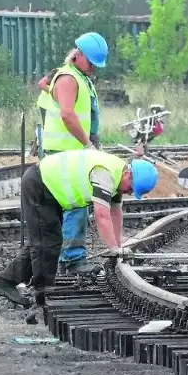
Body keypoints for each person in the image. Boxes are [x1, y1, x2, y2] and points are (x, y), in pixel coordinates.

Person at [0, 149, 159, 307]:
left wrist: (119, 243)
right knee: (46, 242)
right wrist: (113, 248)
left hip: (49, 187)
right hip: (40, 184)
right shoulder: (105, 174)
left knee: (45, 239)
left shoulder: (118, 175)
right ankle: (40, 293)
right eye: (131, 188)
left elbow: (115, 211)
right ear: (128, 174)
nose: (129, 192)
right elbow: (102, 215)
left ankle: (7, 282)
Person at [42, 33, 107, 276]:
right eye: (91, 63)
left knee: (73, 205)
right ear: (77, 55)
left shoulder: (80, 77)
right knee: (75, 204)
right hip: (65, 153)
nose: (93, 68)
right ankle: (72, 261)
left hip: (72, 152)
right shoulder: (69, 78)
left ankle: (66, 259)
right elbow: (67, 115)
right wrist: (87, 143)